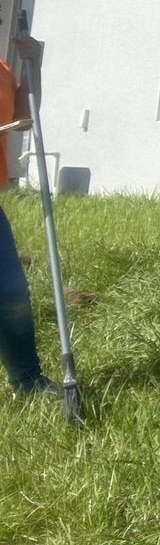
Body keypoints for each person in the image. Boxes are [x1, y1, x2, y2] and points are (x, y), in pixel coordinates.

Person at [0, 54, 50, 395]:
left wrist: (33, 66)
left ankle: (27, 381)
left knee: (13, 293)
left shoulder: (2, 70)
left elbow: (23, 118)